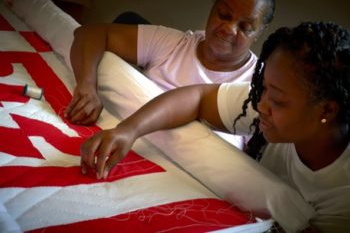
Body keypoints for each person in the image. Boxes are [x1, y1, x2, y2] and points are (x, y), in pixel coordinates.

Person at [79, 21, 350, 232]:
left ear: (326, 110)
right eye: (263, 88)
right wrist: (128, 130)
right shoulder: (262, 103)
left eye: (277, 100)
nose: (262, 105)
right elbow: (197, 97)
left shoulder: (343, 197)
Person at [64, 0, 275, 128]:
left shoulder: (263, 86)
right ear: (213, 7)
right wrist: (87, 86)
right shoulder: (173, 44)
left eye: (245, 27)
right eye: (224, 15)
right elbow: (90, 33)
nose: (229, 29)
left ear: (259, 33)